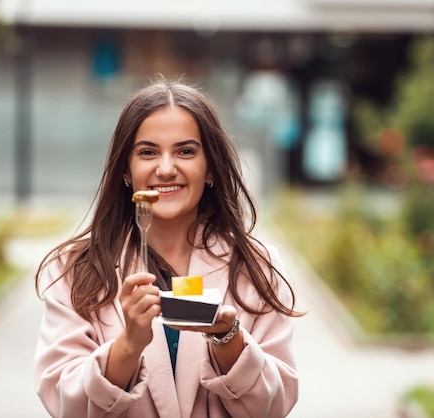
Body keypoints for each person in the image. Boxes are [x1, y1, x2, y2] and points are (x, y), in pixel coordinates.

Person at [34, 77, 304, 418]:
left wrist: (228, 338)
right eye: (147, 152)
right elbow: (64, 403)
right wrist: (128, 346)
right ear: (126, 171)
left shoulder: (256, 266)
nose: (165, 169)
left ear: (210, 170)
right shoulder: (76, 271)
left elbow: (275, 406)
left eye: (186, 151)